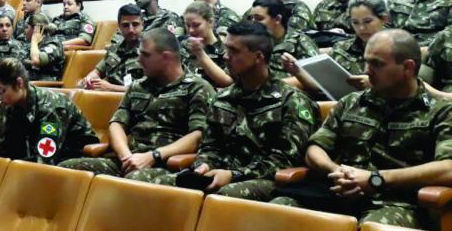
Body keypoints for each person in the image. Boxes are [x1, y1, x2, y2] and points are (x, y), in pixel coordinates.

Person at [269, 30, 452, 229]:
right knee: (278, 211)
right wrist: (336, 171)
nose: (366, 70)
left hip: (396, 202)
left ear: (408, 68)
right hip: (338, 192)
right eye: (366, 61)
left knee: (372, 229)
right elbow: (315, 148)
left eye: (377, 64)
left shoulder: (442, 111)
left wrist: (376, 179)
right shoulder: (351, 102)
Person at [129, 21, 318, 201]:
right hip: (218, 173)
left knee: (224, 195)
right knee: (140, 181)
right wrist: (203, 165)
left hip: (267, 181)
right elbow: (210, 146)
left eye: (234, 51)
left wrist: (234, 175)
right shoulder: (223, 97)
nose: (226, 56)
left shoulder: (292, 101)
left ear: (259, 57)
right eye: (226, 49)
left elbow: (283, 160)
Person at [61, 28, 213, 177]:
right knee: (67, 170)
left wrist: (153, 156)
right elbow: (117, 124)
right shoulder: (137, 86)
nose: (139, 59)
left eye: (145, 55)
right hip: (127, 158)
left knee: (133, 181)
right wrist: (126, 156)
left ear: (166, 57)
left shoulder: (197, 88)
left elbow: (197, 136)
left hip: (165, 164)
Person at [0, 59, 98, 165]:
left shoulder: (51, 107)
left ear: (19, 83)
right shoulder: (14, 105)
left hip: (74, 160)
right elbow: (10, 147)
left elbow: (45, 159)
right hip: (42, 158)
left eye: (1, 91)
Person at [248, 0, 320, 83]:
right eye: (251, 18)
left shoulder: (299, 41)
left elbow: (316, 79)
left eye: (259, 19)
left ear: (277, 19)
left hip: (290, 93)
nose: (253, 23)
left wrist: (271, 85)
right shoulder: (252, 43)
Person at [329, 0, 389, 91]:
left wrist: (378, 84)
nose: (361, 28)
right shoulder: (340, 49)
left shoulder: (401, 48)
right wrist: (298, 72)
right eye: (355, 22)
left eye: (368, 21)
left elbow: (416, 88)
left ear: (384, 19)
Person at [78, 4, 144, 92]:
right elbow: (97, 72)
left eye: (135, 24)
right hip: (107, 98)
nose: (131, 29)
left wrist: (110, 87)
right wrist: (90, 78)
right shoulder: (114, 49)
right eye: (125, 25)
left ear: (142, 24)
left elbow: (148, 90)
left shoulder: (151, 52)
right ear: (119, 26)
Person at [181, 1, 232, 88]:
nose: (191, 30)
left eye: (196, 25)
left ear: (210, 22)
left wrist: (200, 53)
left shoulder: (225, 49)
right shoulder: (182, 46)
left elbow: (228, 82)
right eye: (188, 25)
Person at [24, 13, 65, 81]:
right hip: (30, 82)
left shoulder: (53, 44)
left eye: (26, 27)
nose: (24, 31)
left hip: (45, 86)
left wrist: (34, 40)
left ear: (35, 29)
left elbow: (36, 60)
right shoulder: (35, 44)